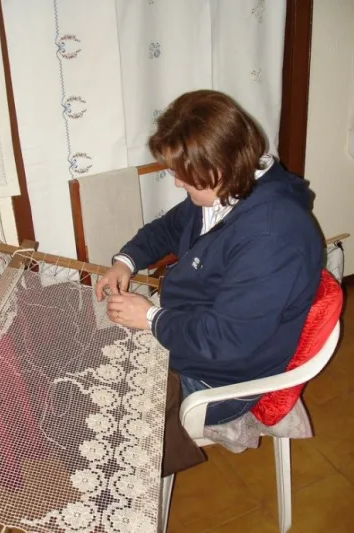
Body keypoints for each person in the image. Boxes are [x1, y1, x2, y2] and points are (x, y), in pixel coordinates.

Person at [95, 89, 323, 426]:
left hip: (220, 381)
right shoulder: (226, 190)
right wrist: (126, 261)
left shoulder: (273, 238)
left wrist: (151, 318)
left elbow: (228, 340)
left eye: (182, 175)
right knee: (87, 358)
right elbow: (167, 228)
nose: (177, 183)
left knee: (100, 407)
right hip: (189, 334)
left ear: (218, 169)